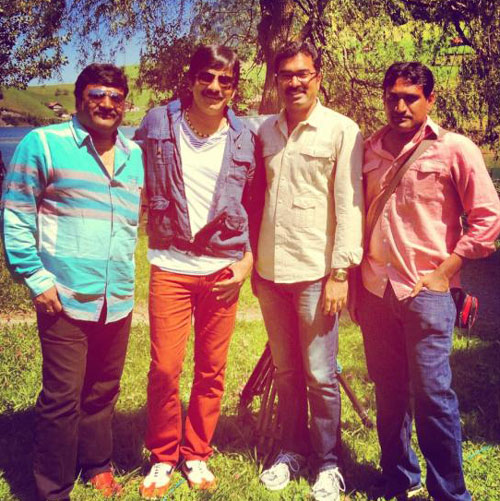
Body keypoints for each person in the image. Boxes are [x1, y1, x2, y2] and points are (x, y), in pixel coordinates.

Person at [353, 62, 500, 501]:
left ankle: (450, 493)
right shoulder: (368, 149)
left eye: (410, 98)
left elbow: (488, 219)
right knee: (389, 393)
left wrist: (444, 272)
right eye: (392, 97)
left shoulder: (454, 149)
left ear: (430, 99)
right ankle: (400, 479)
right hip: (376, 288)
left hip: (427, 292)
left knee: (434, 396)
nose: (400, 106)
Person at [1, 64, 144, 500]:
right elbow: (16, 215)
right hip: (63, 296)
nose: (107, 104)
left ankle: (97, 464)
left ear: (125, 104)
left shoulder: (134, 155)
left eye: (116, 97)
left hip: (116, 297)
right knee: (62, 398)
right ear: (81, 98)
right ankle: (53, 488)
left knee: (103, 389)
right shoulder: (44, 144)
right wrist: (36, 278)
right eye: (97, 94)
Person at [134, 45, 257, 498]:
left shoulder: (245, 137)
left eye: (225, 80)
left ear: (234, 88)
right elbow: (126, 176)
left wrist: (247, 260)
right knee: (165, 369)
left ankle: (197, 452)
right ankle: (164, 455)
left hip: (222, 270)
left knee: (211, 369)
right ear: (191, 79)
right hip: (170, 265)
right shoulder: (157, 123)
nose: (215, 87)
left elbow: (255, 203)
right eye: (207, 76)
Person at [253, 41, 364, 501]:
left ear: (319, 77)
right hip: (269, 273)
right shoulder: (264, 130)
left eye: (304, 73)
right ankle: (292, 451)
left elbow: (350, 204)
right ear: (276, 80)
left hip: (317, 274)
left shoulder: (342, 130)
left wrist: (340, 273)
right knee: (286, 372)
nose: (295, 82)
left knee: (320, 374)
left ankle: (328, 462)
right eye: (286, 75)